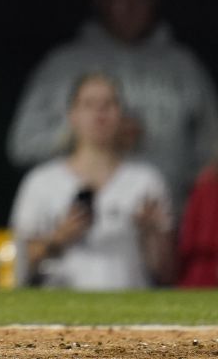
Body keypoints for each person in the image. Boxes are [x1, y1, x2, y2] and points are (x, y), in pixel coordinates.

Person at [8, 0, 218, 213]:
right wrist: (94, 135)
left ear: (156, 1)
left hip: (170, 222)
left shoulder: (185, 66)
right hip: (82, 230)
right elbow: (21, 147)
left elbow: (211, 152)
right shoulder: (62, 66)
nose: (129, 5)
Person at [10, 72, 175, 289]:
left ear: (121, 115)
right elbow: (13, 265)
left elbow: (167, 274)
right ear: (72, 115)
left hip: (129, 306)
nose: (100, 112)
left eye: (109, 104)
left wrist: (151, 234)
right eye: (89, 104)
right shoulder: (41, 181)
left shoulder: (145, 180)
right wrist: (58, 239)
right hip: (60, 308)